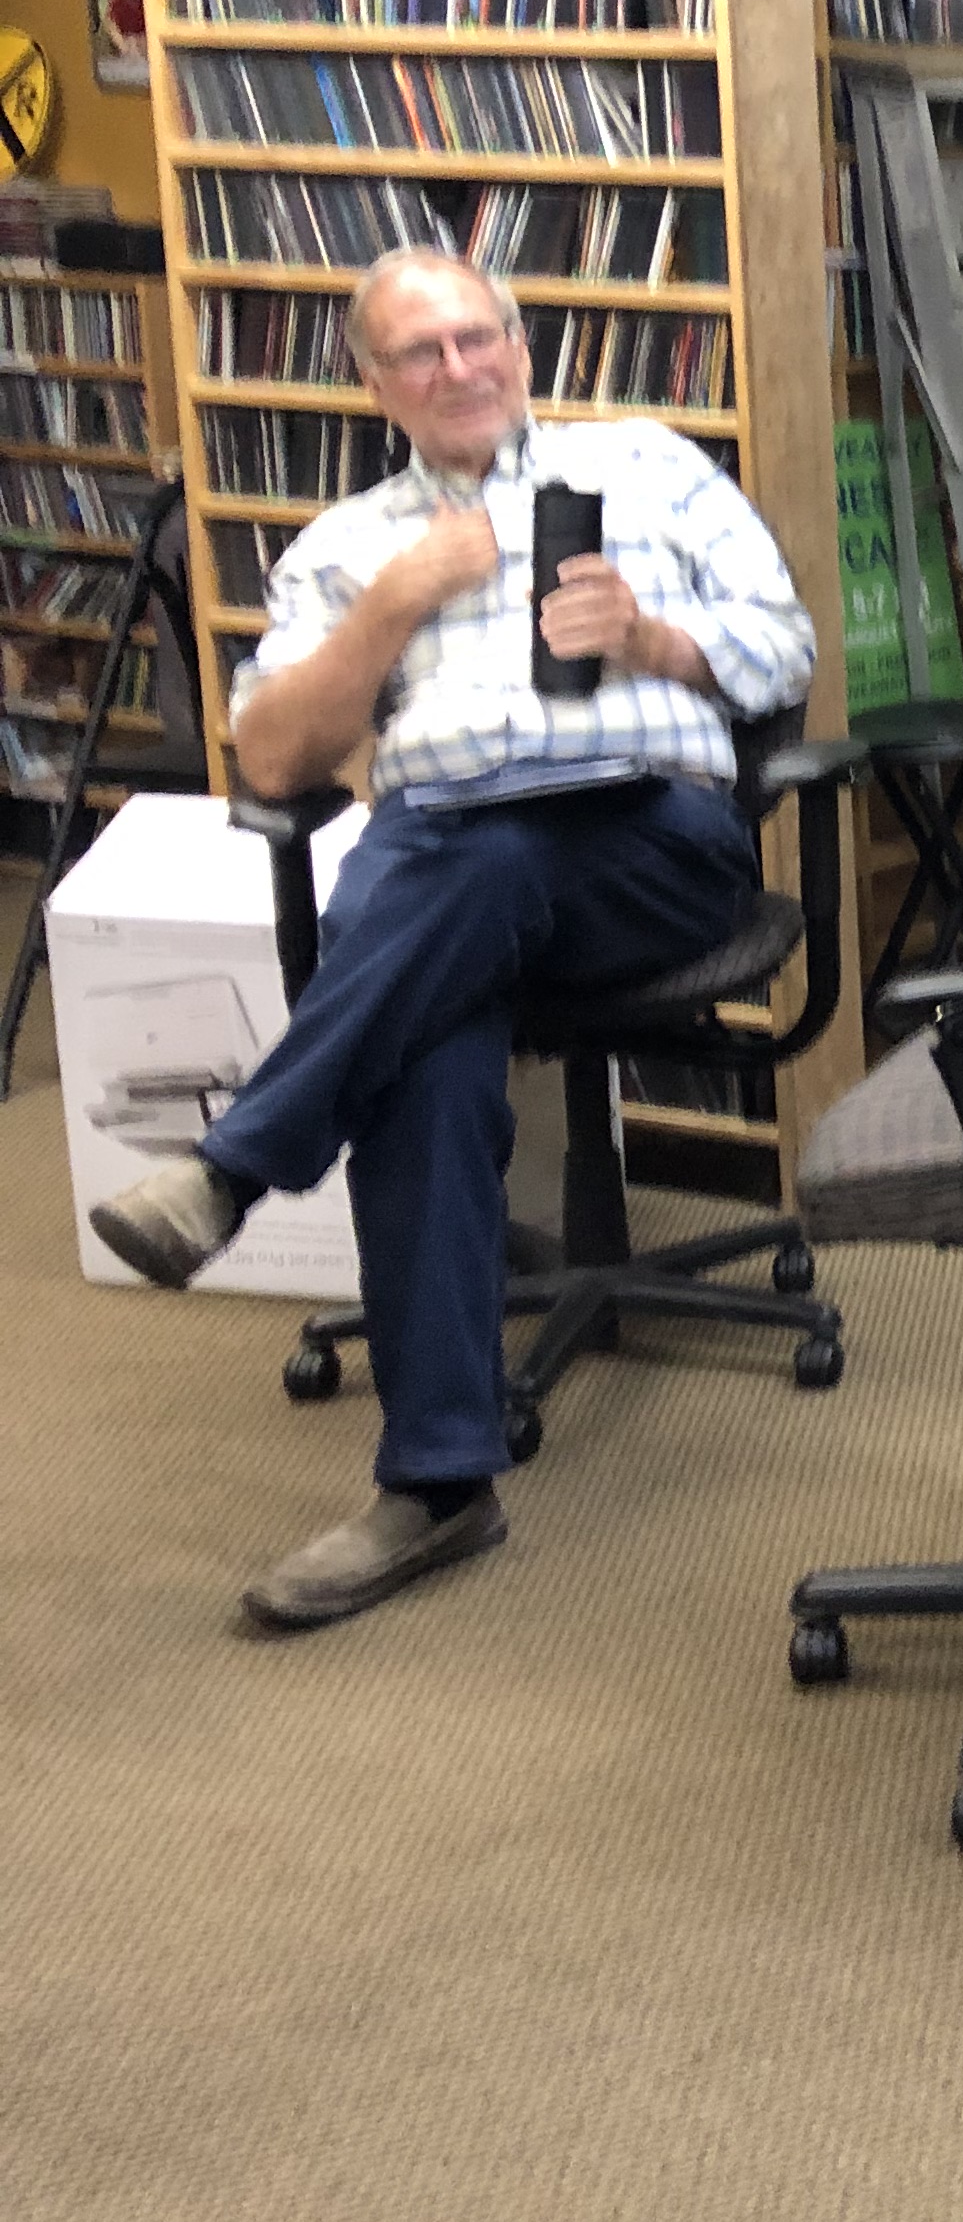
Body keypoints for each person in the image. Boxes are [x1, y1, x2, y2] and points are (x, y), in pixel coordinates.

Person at [90, 247, 814, 1631]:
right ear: (376, 385)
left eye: (479, 337)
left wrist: (653, 640)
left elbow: (786, 648)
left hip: (647, 843)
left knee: (465, 868)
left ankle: (238, 1164)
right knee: (433, 1018)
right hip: (447, 864)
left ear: (520, 346)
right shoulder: (346, 545)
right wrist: (395, 601)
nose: (460, 368)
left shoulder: (649, 465)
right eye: (420, 353)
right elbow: (274, 757)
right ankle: (439, 1486)